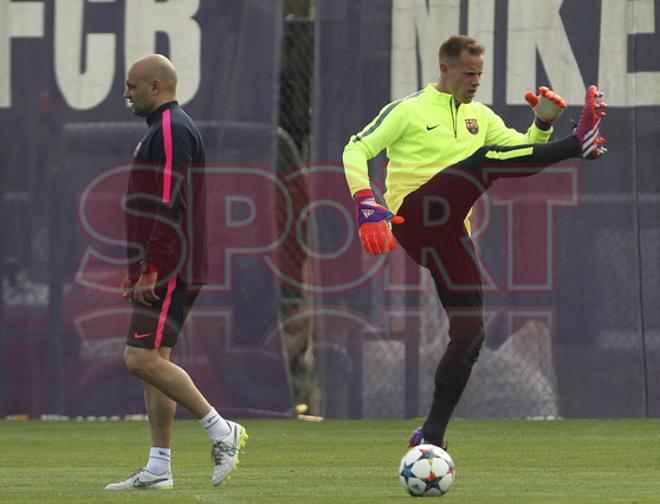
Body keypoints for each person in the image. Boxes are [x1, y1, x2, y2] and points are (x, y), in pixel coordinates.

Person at [342, 36, 606, 450]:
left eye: (480, 74)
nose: (475, 81)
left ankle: (430, 437)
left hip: (449, 233)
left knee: (469, 335)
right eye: (469, 73)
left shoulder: (480, 116)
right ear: (444, 69)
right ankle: (580, 143)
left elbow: (520, 155)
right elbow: (356, 149)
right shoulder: (408, 110)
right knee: (481, 162)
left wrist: (541, 126)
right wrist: (365, 201)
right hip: (415, 216)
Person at [105, 54, 247, 490]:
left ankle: (223, 430)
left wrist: (150, 268)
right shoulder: (162, 129)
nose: (125, 93)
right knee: (154, 363)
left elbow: (169, 203)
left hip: (170, 267)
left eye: (131, 85)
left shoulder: (170, 128)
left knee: (140, 358)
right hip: (167, 265)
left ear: (155, 87)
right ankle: (159, 467)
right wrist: (138, 268)